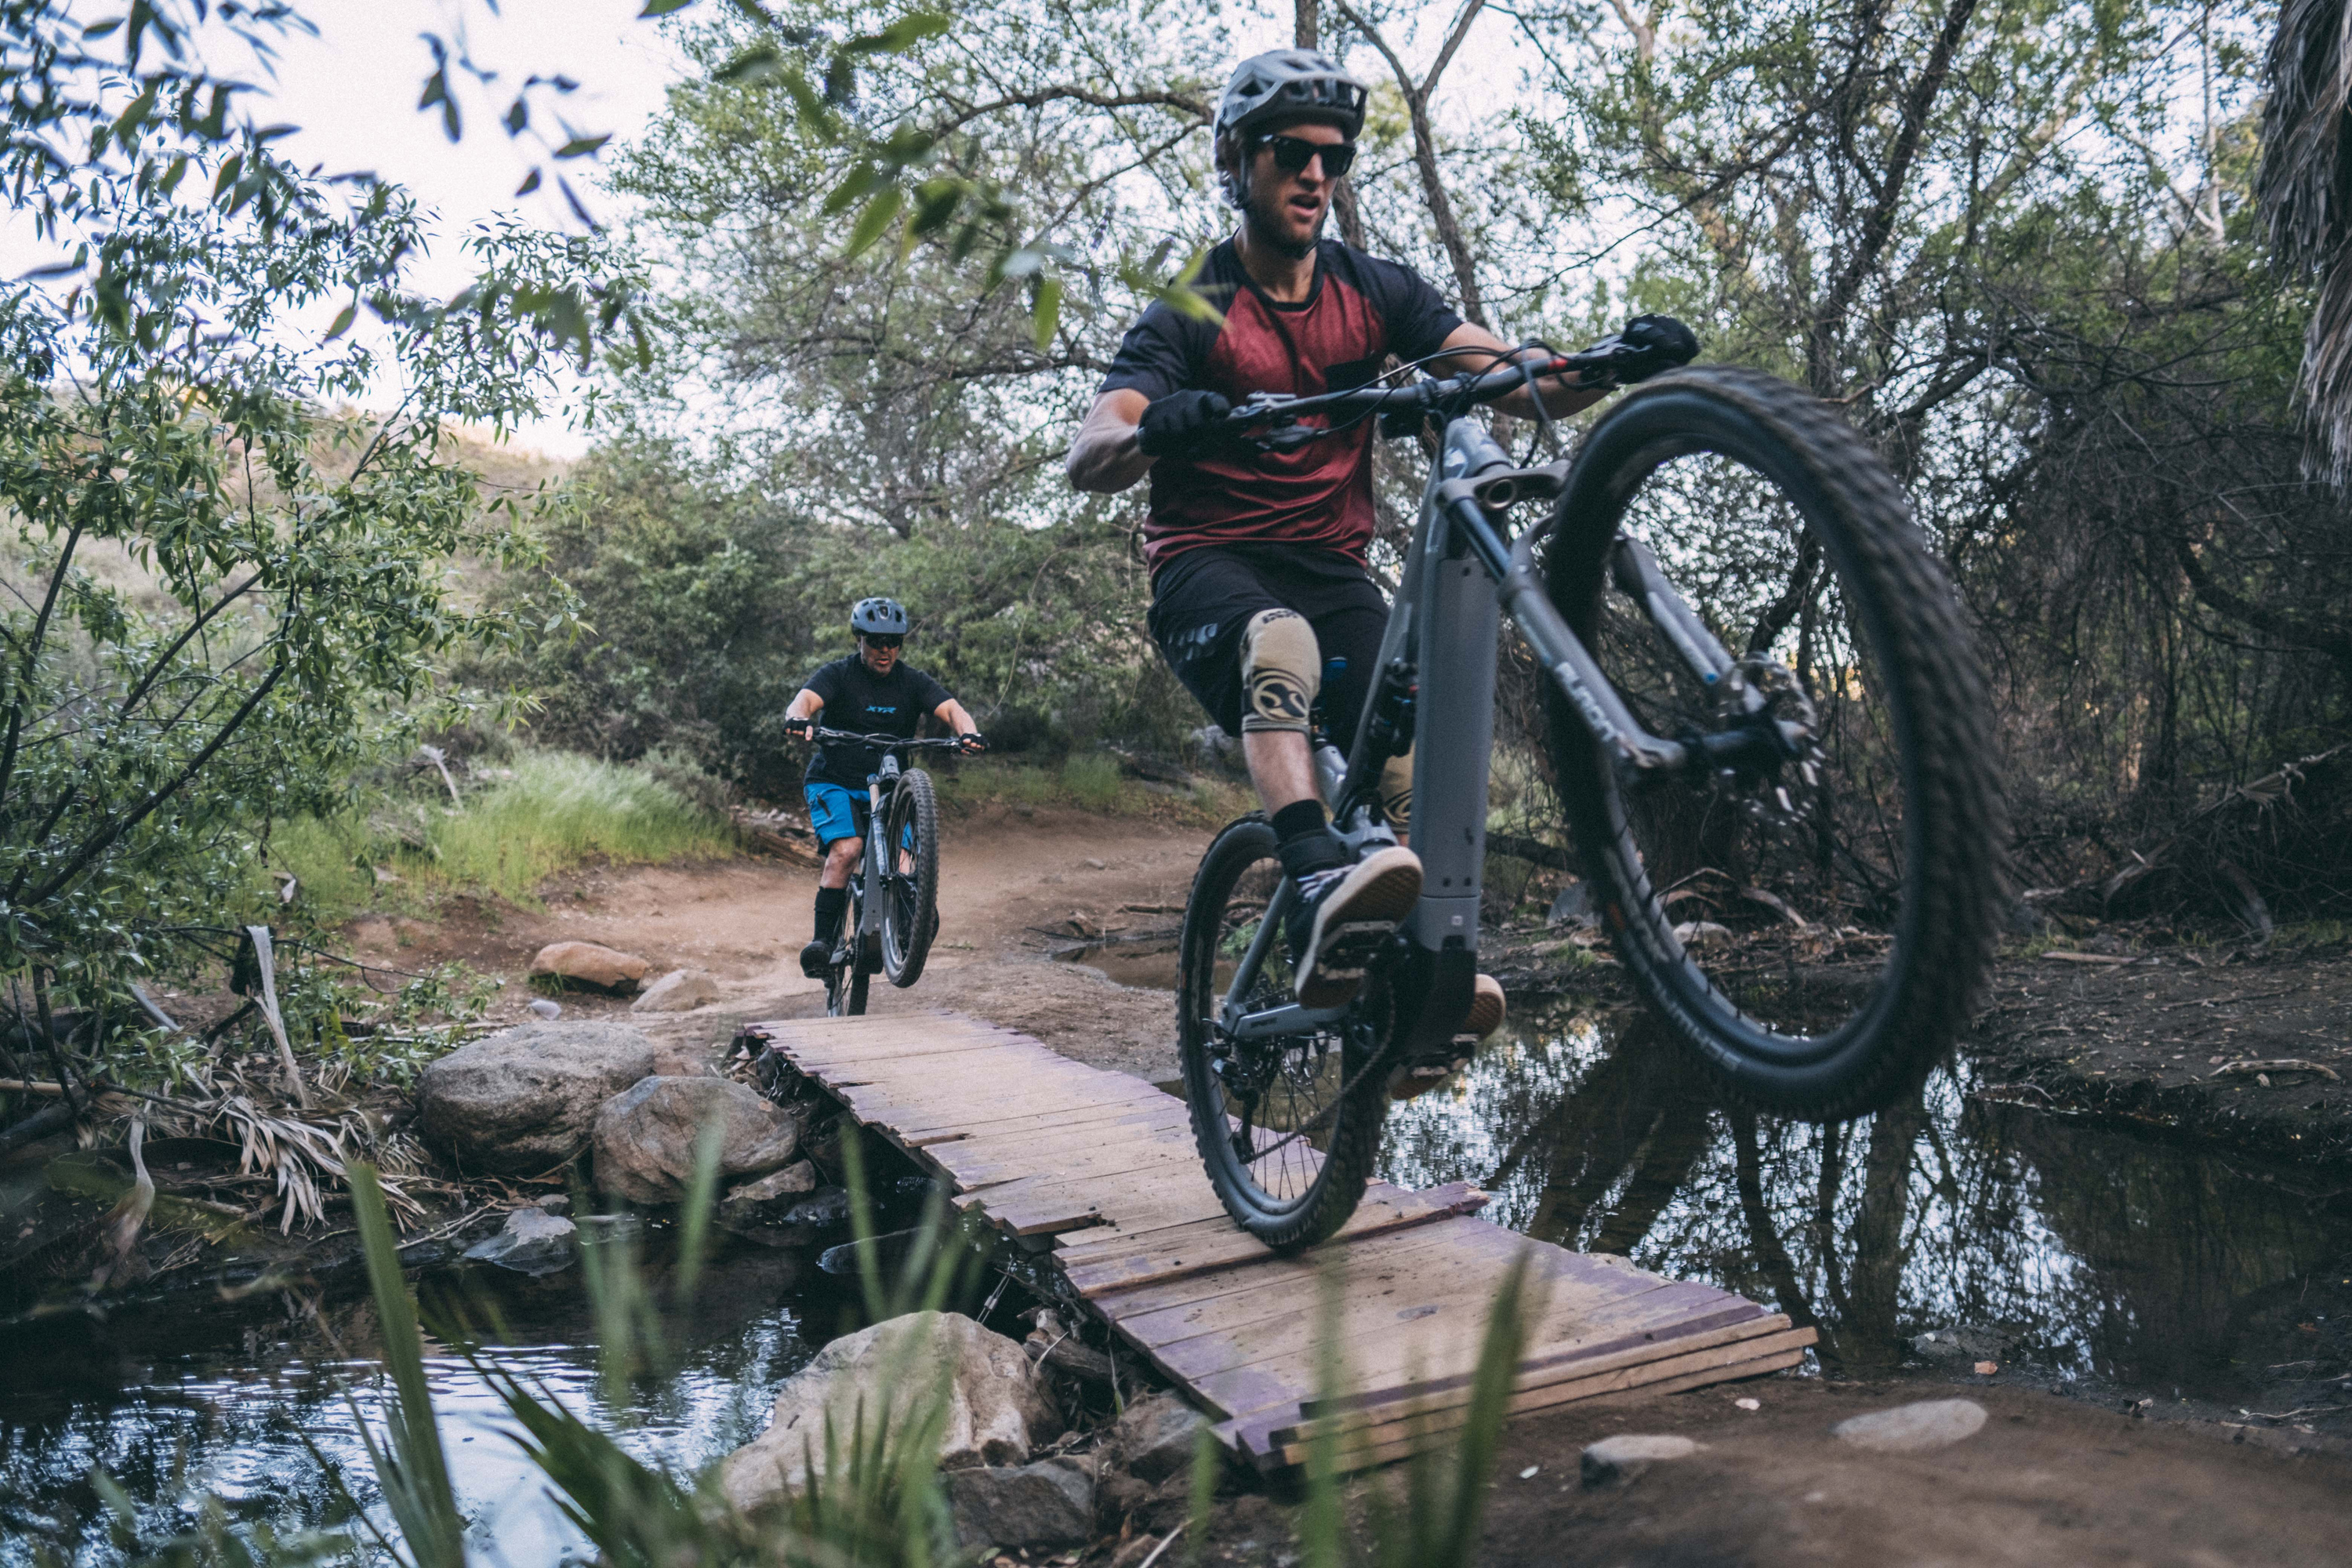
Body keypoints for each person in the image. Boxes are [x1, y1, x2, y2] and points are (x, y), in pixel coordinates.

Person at [1066, 49, 1695, 1033]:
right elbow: (1091, 449)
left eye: (1336, 157)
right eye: (1292, 153)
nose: (1317, 174)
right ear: (1237, 159)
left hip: (1331, 568)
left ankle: (1404, 1003)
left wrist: (1606, 363)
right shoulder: (1194, 306)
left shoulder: (1377, 290)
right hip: (1208, 568)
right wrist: (1154, 427)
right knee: (1282, 645)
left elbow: (1512, 374)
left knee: (1406, 753)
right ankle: (1315, 881)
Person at [783, 597, 984, 978]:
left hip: (889, 788)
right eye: (876, 641)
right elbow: (805, 701)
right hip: (834, 780)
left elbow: (953, 709)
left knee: (905, 863)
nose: (885, 649)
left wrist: (968, 732)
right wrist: (798, 718)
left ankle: (906, 927)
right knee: (848, 850)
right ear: (860, 639)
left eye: (894, 641)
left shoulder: (912, 681)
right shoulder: (839, 674)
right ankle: (823, 942)